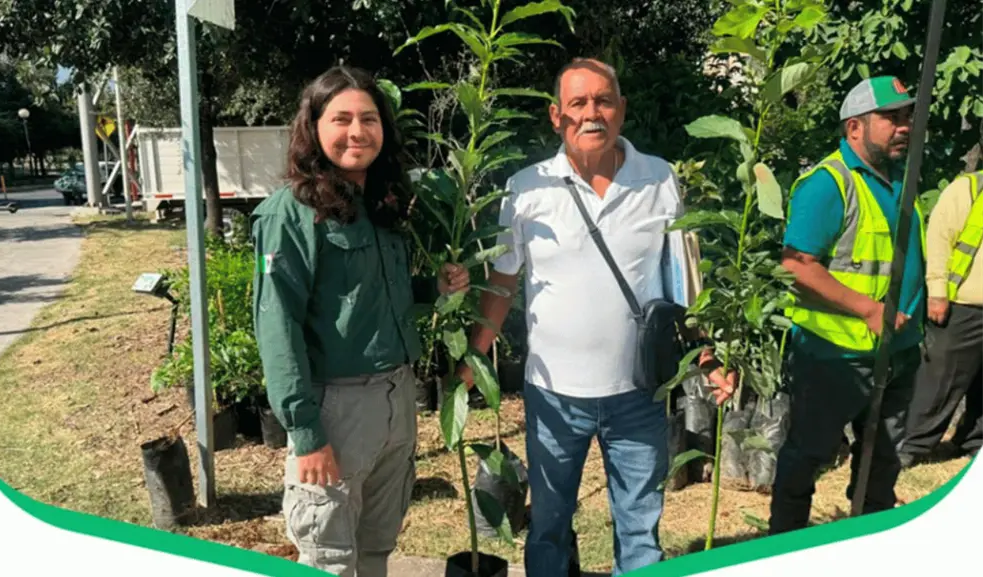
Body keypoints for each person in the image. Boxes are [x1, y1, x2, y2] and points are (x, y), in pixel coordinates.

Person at [456, 58, 737, 577]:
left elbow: (682, 282)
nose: (592, 114)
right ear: (556, 116)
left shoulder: (659, 177)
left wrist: (705, 355)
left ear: (622, 109)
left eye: (604, 101)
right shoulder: (526, 189)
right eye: (578, 103)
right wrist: (475, 359)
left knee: (639, 527)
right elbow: (502, 284)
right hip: (554, 395)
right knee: (548, 526)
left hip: (639, 393)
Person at [250, 65, 469, 577]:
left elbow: (371, 299)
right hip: (337, 406)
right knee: (329, 557)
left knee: (376, 547)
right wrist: (306, 431)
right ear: (314, 127)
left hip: (396, 396)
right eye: (341, 118)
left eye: (369, 119)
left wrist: (432, 290)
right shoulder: (291, 213)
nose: (357, 131)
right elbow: (277, 327)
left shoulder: (380, 205)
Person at [771, 75, 926, 534]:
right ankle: (785, 550)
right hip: (833, 358)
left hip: (897, 354)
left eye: (906, 117)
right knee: (806, 461)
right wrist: (868, 309)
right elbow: (796, 269)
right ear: (854, 127)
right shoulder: (828, 184)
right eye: (890, 117)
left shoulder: (902, 179)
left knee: (883, 467)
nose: (904, 126)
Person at [897, 169, 983, 467]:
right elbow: (939, 240)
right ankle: (913, 444)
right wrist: (937, 291)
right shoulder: (968, 190)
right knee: (940, 380)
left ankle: (973, 440)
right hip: (962, 304)